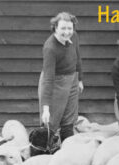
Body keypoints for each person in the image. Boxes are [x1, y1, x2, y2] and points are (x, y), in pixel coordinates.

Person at [38, 12, 84, 142]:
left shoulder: (74, 36)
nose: (67, 32)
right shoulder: (50, 48)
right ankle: (45, 152)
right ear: (55, 28)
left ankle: (67, 149)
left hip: (72, 79)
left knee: (69, 120)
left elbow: (77, 57)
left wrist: (79, 79)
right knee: (50, 122)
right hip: (55, 82)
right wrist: (45, 108)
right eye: (63, 28)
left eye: (69, 28)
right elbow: (48, 79)